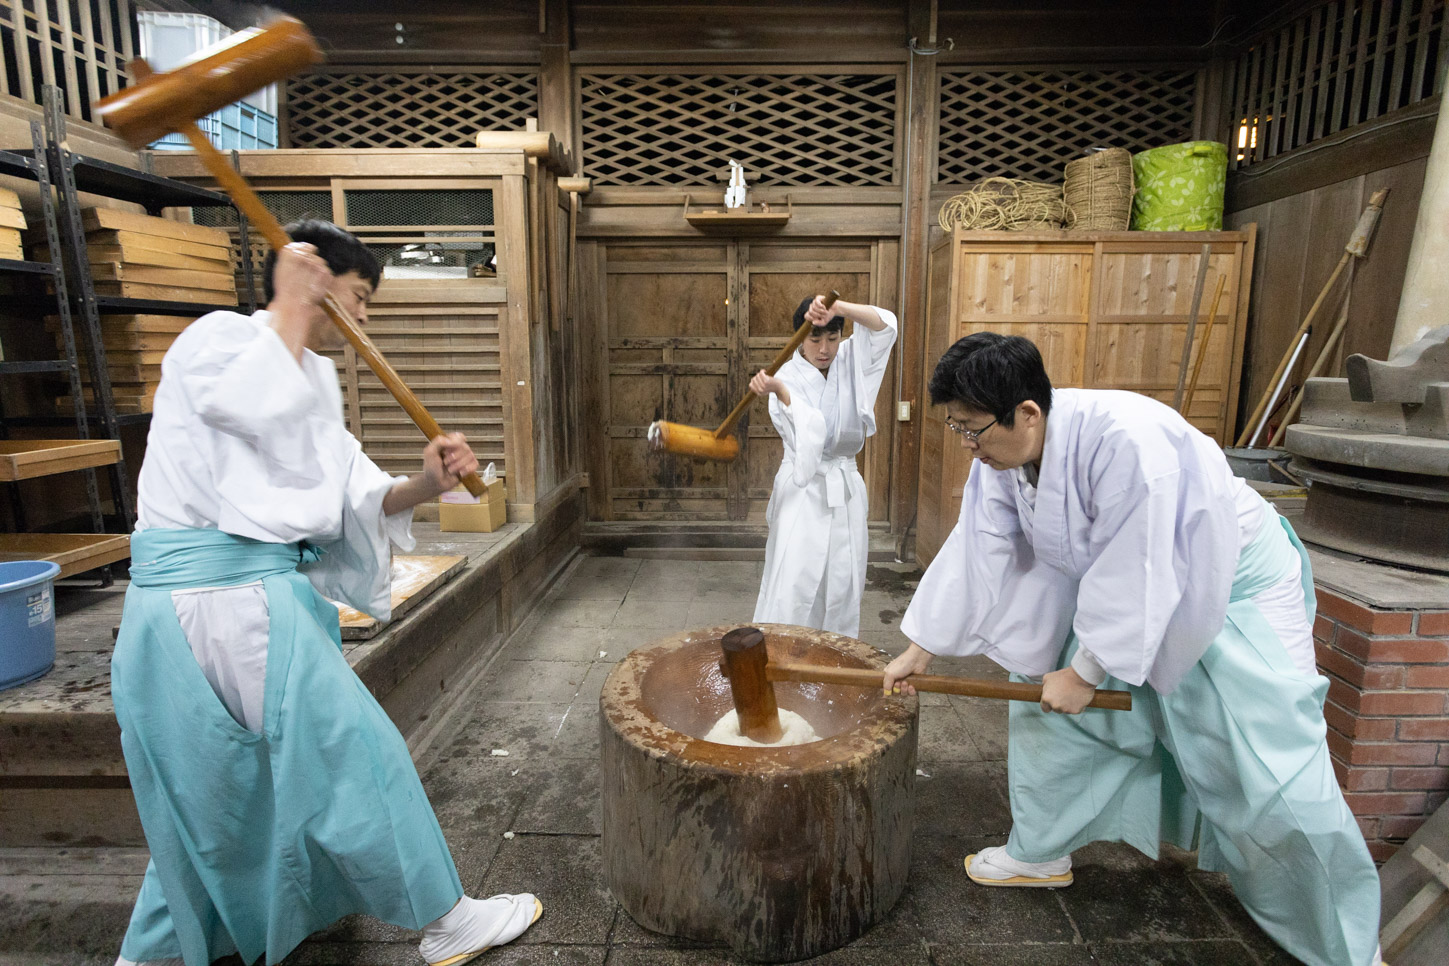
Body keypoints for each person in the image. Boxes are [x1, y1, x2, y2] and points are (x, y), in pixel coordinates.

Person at [111, 220, 540, 966]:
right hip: (218, 602)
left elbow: (358, 499)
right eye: (360, 295)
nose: (364, 315)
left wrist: (427, 485)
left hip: (244, 600)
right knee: (349, 756)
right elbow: (238, 407)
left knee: (217, 794)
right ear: (316, 276)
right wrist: (287, 304)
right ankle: (447, 918)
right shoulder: (220, 339)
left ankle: (158, 952)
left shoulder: (310, 377)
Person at [883, 332, 1383, 966]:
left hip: (1228, 588)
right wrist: (921, 647)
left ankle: (1346, 941)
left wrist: (1087, 671)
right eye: (957, 429)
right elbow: (981, 543)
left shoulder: (1130, 440)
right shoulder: (1003, 457)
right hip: (1121, 594)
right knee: (1043, 698)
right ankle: (1042, 848)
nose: (967, 445)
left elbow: (1147, 566)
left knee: (1272, 764)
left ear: (1028, 413)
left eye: (971, 430)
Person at [749, 294, 897, 638]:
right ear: (800, 338)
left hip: (844, 484)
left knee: (844, 580)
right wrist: (782, 392)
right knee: (795, 580)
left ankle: (835, 656)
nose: (824, 348)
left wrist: (840, 308)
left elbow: (886, 326)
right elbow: (810, 438)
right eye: (814, 339)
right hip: (805, 488)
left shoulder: (851, 357)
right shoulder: (784, 375)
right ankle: (785, 653)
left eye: (832, 337)